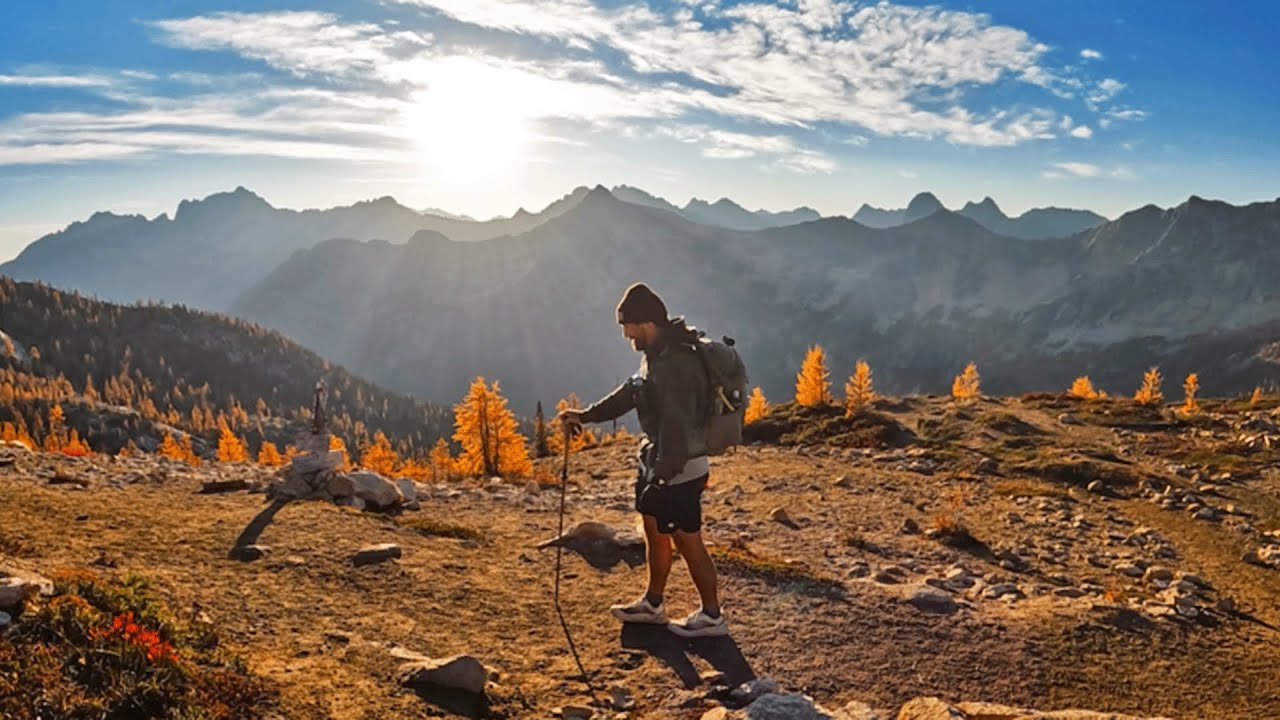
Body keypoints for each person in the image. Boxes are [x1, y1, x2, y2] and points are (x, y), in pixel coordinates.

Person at [556, 282, 728, 638]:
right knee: (653, 530)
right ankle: (653, 604)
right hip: (658, 462)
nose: (625, 335)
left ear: (646, 322)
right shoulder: (656, 354)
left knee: (687, 540)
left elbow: (679, 429)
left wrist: (662, 480)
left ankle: (712, 617)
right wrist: (585, 416)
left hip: (680, 468)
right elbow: (631, 392)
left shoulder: (677, 364)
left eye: (628, 326)